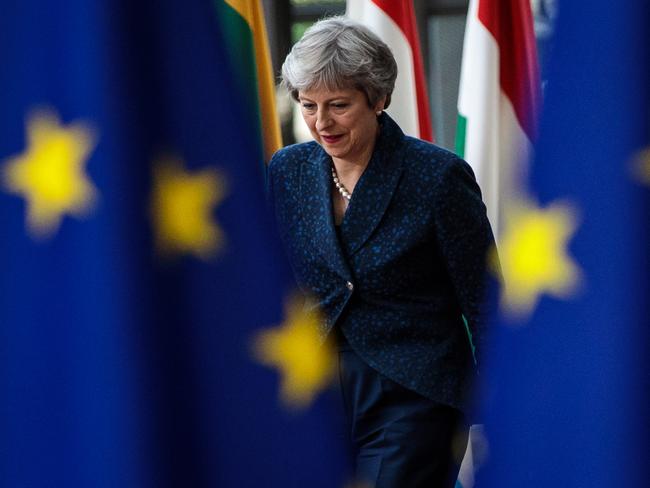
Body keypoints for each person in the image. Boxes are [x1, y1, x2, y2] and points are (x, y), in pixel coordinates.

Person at [267, 16, 496, 488]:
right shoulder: (287, 170)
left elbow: (485, 298)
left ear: (379, 99)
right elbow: (273, 279)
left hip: (412, 393)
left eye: (338, 105)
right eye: (308, 105)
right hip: (313, 391)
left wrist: (506, 399)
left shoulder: (437, 177)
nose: (321, 123)